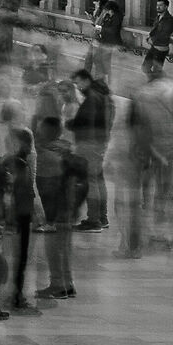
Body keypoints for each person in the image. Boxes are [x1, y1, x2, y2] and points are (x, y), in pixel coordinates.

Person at [31, 115, 86, 300]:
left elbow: (47, 186)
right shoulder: (65, 150)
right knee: (64, 249)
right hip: (68, 209)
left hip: (56, 212)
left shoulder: (47, 156)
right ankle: (67, 284)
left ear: (46, 131)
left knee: (54, 250)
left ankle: (58, 285)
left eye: (41, 129)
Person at [68, 66, 111, 228]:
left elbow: (87, 121)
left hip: (89, 143)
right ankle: (102, 217)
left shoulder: (92, 98)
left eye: (78, 83)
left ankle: (93, 220)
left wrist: (72, 124)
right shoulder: (100, 96)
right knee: (98, 179)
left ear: (87, 80)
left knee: (90, 180)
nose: (78, 87)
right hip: (99, 143)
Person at [144, 0, 173, 76]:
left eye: (160, 5)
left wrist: (152, 40)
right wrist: (149, 37)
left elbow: (165, 33)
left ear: (166, 7)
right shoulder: (158, 17)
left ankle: (157, 80)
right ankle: (156, 79)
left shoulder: (169, 19)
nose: (158, 7)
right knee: (145, 67)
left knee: (156, 70)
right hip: (154, 46)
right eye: (157, 5)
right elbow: (154, 31)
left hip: (161, 48)